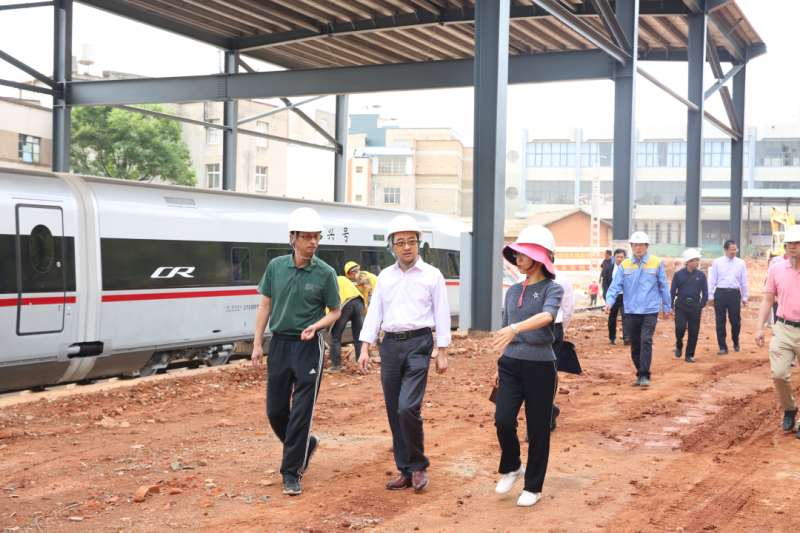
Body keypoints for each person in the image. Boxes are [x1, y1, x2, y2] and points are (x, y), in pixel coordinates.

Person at [251, 207, 342, 496]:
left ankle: (292, 473)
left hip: (308, 346)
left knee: (302, 410)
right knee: (275, 410)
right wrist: (257, 344)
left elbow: (336, 311)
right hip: (278, 344)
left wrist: (316, 326)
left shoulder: (325, 273)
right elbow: (265, 305)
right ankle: (305, 444)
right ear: (292, 237)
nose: (313, 242)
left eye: (317, 237)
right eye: (307, 237)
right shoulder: (276, 267)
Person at [358, 214, 450, 492]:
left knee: (407, 407)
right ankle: (406, 470)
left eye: (412, 241)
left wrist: (442, 351)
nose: (407, 246)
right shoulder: (385, 277)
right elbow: (375, 312)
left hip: (419, 344)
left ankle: (419, 466)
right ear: (391, 246)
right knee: (393, 410)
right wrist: (365, 347)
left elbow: (442, 314)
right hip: (390, 346)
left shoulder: (432, 275)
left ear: (419, 243)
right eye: (400, 242)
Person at [490, 225, 564, 508]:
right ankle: (512, 467)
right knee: (503, 421)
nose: (517, 259)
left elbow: (547, 316)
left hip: (540, 367)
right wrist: (499, 365)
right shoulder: (512, 291)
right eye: (516, 254)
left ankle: (533, 487)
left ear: (540, 257)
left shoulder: (552, 288)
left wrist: (515, 328)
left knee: (538, 429)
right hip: (510, 365)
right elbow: (506, 331)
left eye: (523, 254)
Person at [604, 232, 671, 387]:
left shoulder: (656, 263)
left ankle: (644, 375)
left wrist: (667, 307)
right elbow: (615, 286)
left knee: (646, 340)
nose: (638, 248)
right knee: (635, 344)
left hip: (650, 310)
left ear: (647, 246)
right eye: (635, 245)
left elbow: (663, 286)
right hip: (631, 310)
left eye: (641, 245)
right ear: (632, 247)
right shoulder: (625, 265)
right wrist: (609, 302)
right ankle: (640, 372)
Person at [755, 225, 800, 437]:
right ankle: (790, 408)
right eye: (789, 243)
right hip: (782, 328)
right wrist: (759, 328)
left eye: (797, 243)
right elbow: (767, 299)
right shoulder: (776, 269)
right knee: (779, 374)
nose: (792, 246)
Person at [327, 262, 378, 374]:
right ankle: (363, 366)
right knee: (358, 337)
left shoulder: (329, 282)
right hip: (359, 302)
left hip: (346, 303)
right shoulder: (344, 279)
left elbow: (329, 306)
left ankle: (335, 366)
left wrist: (327, 322)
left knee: (335, 337)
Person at [708, 239, 749, 355]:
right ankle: (722, 346)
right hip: (720, 293)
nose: (734, 252)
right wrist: (710, 294)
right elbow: (712, 279)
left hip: (734, 294)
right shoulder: (717, 262)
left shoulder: (741, 263)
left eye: (736, 249)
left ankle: (735, 340)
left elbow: (744, 281)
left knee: (735, 321)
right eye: (732, 250)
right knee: (720, 321)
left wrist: (745, 296)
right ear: (725, 249)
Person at [671, 248, 708, 363]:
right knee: (680, 327)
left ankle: (689, 355)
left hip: (695, 305)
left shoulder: (701, 275)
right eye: (696, 260)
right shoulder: (678, 275)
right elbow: (672, 291)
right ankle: (679, 344)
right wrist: (670, 305)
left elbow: (705, 292)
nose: (698, 262)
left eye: (698, 260)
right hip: (681, 304)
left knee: (693, 331)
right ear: (689, 262)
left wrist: (701, 304)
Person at [607, 249, 629, 346]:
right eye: (617, 257)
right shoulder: (609, 269)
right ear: (614, 257)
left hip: (625, 296)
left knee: (626, 317)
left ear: (625, 258)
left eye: (621, 257)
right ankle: (612, 338)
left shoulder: (629, 269)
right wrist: (608, 299)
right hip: (614, 297)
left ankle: (626, 337)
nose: (619, 259)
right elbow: (605, 284)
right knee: (612, 318)